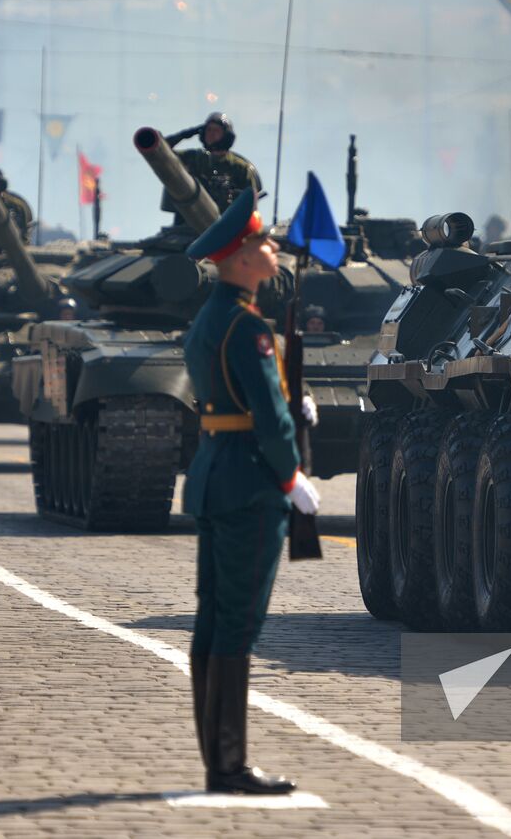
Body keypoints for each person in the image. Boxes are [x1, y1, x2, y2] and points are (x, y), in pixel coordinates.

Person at [181, 187, 320, 795]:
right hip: (249, 484)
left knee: (213, 619)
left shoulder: (211, 319)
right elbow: (267, 412)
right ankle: (229, 766)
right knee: (238, 624)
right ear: (239, 257)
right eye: (262, 241)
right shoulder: (247, 325)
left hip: (214, 475)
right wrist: (293, 477)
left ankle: (218, 758)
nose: (271, 249)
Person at [165, 113, 263, 217]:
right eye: (208, 130)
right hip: (189, 222)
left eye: (216, 130)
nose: (211, 134)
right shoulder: (193, 158)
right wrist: (186, 134)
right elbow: (160, 151)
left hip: (226, 221)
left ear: (226, 135)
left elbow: (251, 202)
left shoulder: (240, 168)